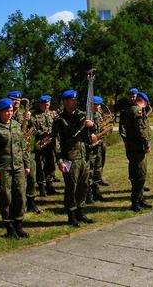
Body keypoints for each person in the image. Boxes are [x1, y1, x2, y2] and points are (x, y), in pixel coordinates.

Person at [0, 98, 30, 238]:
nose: (9, 113)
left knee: (20, 195)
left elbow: (23, 147)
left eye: (11, 111)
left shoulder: (16, 125)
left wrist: (27, 164)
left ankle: (19, 224)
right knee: (6, 197)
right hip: (3, 167)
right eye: (6, 111)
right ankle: (9, 226)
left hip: (18, 166)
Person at [52, 90, 95, 227]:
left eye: (76, 99)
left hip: (84, 156)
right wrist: (59, 161)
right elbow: (56, 142)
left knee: (83, 186)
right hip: (69, 158)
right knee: (71, 187)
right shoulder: (59, 120)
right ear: (65, 101)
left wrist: (92, 127)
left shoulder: (83, 115)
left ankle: (80, 212)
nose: (75, 101)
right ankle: (71, 215)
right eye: (71, 99)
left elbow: (93, 132)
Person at [119, 92, 152, 211]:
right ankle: (135, 202)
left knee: (137, 174)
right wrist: (147, 143)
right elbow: (140, 130)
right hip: (137, 148)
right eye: (146, 103)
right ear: (143, 101)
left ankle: (140, 198)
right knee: (139, 175)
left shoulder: (130, 109)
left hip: (133, 147)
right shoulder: (137, 111)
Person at [29, 95, 58, 197]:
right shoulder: (34, 115)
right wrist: (43, 133)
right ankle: (41, 188)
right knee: (40, 166)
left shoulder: (53, 113)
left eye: (48, 103)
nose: (46, 105)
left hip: (51, 143)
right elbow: (33, 129)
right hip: (41, 143)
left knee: (50, 165)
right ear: (40, 104)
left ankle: (50, 186)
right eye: (44, 104)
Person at [86, 96, 106, 203]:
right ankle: (88, 195)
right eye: (97, 105)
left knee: (97, 170)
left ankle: (96, 192)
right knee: (89, 172)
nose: (99, 107)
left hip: (98, 146)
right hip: (90, 148)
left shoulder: (98, 114)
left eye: (99, 105)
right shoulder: (87, 116)